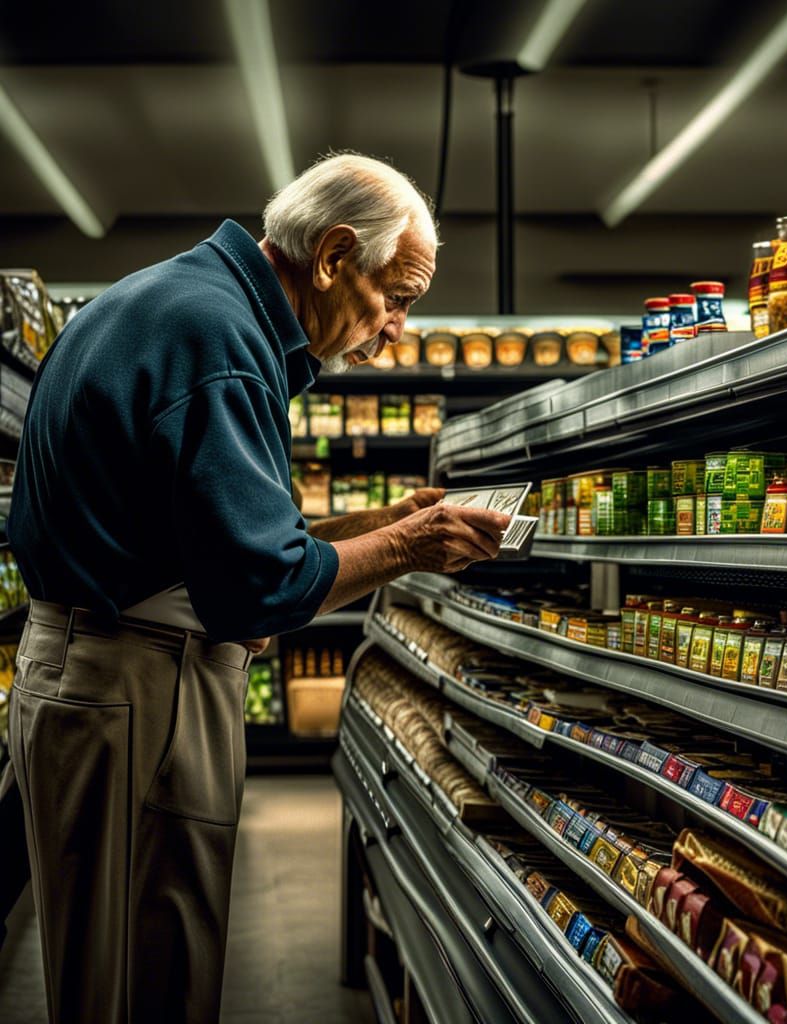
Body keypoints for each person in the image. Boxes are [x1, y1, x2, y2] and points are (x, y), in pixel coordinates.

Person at [3, 152, 510, 1024]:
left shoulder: (178, 300)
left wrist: (378, 523)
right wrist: (409, 545)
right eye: (399, 297)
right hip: (134, 684)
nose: (396, 329)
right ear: (332, 256)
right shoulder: (220, 342)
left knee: (128, 967)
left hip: (104, 666)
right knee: (141, 981)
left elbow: (218, 543)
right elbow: (259, 590)